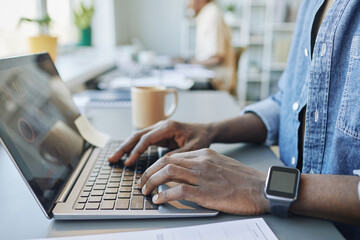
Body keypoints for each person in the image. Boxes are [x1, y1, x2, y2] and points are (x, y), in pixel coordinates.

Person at [109, 0, 360, 238]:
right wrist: (209, 131)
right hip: (295, 224)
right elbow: (285, 103)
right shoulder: (310, 4)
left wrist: (261, 186)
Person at [185, 0, 236, 92]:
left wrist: (190, 62)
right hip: (210, 77)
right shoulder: (205, 14)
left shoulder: (212, 14)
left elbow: (217, 58)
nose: (187, 3)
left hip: (217, 83)